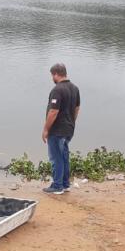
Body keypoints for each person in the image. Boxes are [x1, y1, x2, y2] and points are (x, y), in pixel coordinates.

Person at [42, 63, 80, 195]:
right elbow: (77, 108)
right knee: (64, 156)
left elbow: (53, 111)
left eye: (52, 75)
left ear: (56, 74)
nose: (52, 78)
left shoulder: (57, 90)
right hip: (69, 129)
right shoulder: (74, 88)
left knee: (56, 158)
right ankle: (65, 184)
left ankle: (57, 186)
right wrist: (72, 122)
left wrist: (46, 129)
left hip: (57, 130)